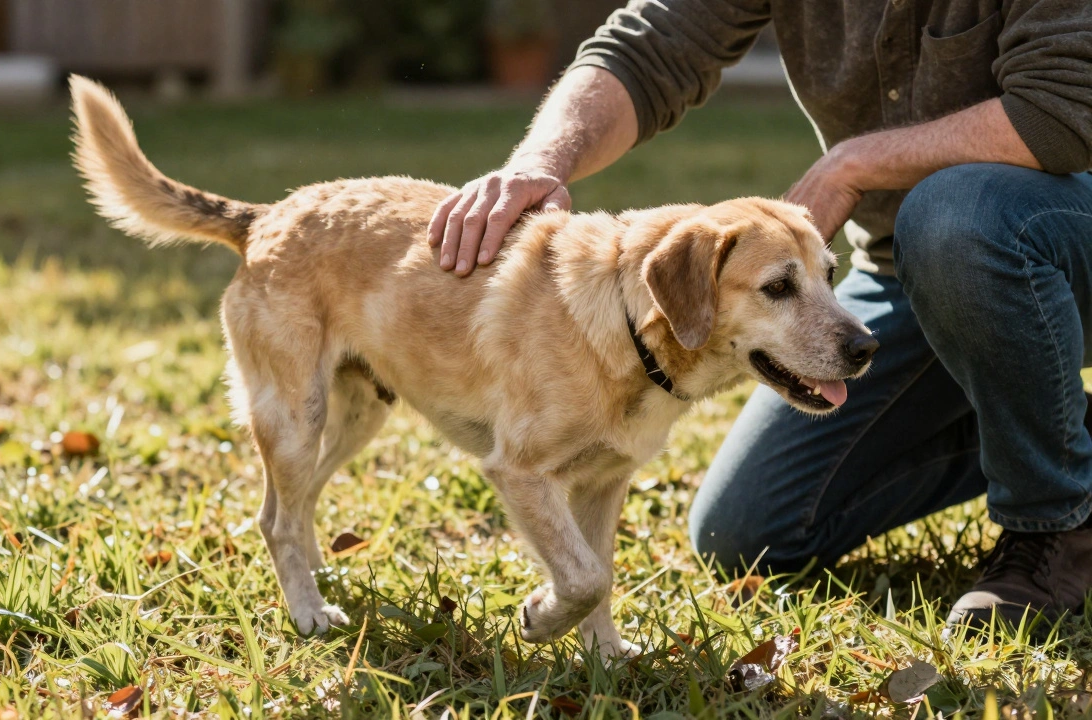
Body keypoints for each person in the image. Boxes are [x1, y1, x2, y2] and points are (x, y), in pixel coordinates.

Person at [427, 0, 1092, 630]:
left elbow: (1062, 110)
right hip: (913, 272)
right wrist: (541, 162)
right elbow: (651, 45)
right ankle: (1058, 437)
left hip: (1045, 236)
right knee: (751, 529)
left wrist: (853, 164)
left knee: (952, 217)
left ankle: (1056, 528)